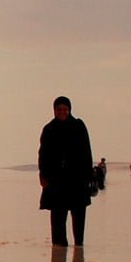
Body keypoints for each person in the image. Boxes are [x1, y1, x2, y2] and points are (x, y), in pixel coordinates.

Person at [38, 96, 94, 247]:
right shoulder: (49, 129)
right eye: (59, 109)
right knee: (58, 221)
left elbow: (87, 152)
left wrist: (89, 176)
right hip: (56, 181)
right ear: (54, 111)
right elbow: (43, 154)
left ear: (69, 110)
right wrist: (42, 175)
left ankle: (78, 253)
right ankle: (58, 258)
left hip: (78, 180)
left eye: (65, 109)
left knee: (79, 220)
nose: (62, 112)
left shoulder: (78, 126)